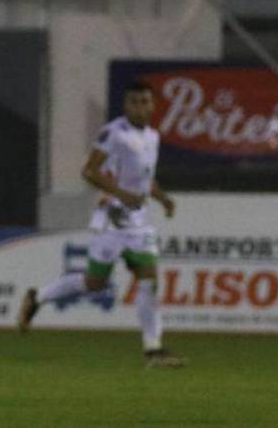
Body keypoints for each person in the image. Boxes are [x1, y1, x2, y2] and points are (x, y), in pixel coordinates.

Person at [18, 80, 184, 369]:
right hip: (112, 220)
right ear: (125, 105)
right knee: (94, 284)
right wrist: (121, 194)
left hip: (139, 223)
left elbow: (144, 180)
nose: (140, 108)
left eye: (145, 102)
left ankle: (153, 350)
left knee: (150, 281)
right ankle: (37, 297)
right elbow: (89, 171)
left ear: (153, 105)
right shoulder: (114, 133)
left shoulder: (153, 137)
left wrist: (162, 198)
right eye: (134, 102)